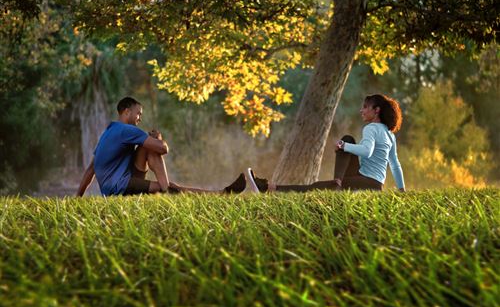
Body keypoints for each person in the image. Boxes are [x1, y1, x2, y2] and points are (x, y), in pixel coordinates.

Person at [77, 97, 246, 196]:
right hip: (119, 187)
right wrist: (159, 138)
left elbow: (91, 169)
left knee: (148, 146)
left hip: (113, 185)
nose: (139, 119)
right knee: (167, 183)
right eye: (138, 114)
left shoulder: (109, 131)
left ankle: (168, 187)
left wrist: (78, 197)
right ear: (127, 111)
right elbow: (163, 149)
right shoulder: (127, 130)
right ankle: (220, 193)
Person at [245, 94, 406, 193]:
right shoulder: (389, 134)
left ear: (376, 110)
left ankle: (268, 188)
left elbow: (367, 151)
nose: (361, 110)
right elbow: (395, 164)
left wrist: (344, 146)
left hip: (364, 181)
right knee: (348, 139)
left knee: (314, 186)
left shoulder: (371, 128)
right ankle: (337, 182)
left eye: (365, 107)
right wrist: (401, 190)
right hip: (377, 185)